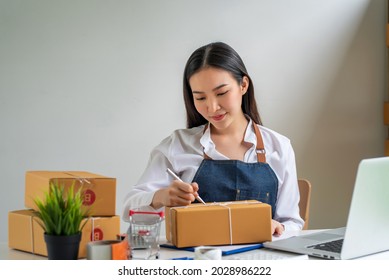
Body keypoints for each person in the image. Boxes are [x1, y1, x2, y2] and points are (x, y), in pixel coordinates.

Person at [122, 42, 304, 236]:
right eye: (200, 98)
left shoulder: (279, 147)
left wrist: (279, 228)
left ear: (243, 85)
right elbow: (128, 209)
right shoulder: (178, 145)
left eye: (221, 93)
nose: (212, 107)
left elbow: (292, 222)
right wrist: (160, 196)